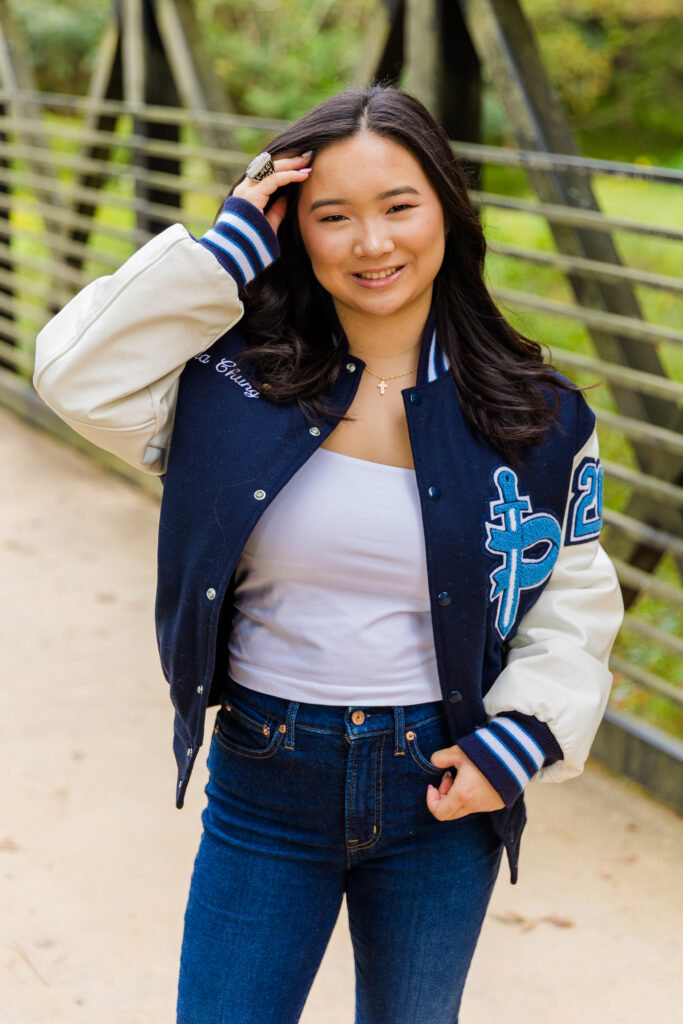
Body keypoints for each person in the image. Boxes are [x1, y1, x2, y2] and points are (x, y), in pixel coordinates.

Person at [33, 85, 623, 1023]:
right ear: (291, 232)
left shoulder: (536, 417)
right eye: (332, 216)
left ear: (445, 211)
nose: (373, 243)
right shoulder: (230, 388)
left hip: (442, 782)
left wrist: (518, 740)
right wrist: (222, 254)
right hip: (267, 776)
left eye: (399, 207)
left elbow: (573, 598)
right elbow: (73, 375)